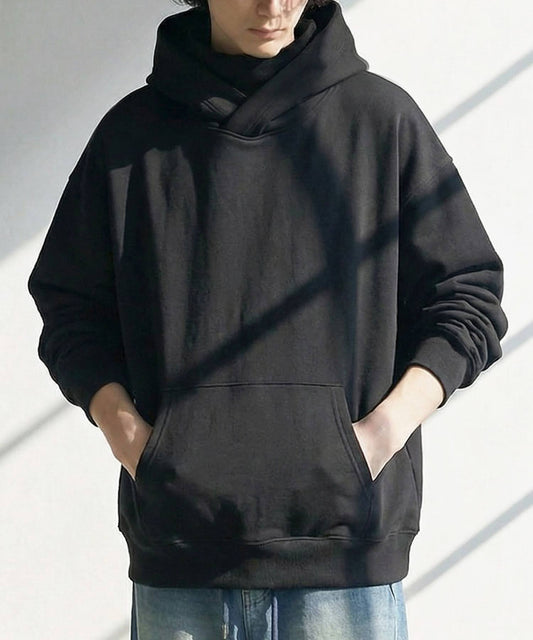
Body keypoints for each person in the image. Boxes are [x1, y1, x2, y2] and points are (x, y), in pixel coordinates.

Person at [27, 0, 508, 637]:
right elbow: (70, 305)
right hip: (181, 562)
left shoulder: (380, 120)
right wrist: (138, 444)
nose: (275, 6)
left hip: (345, 565)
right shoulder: (131, 137)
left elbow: (469, 295)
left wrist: (375, 439)